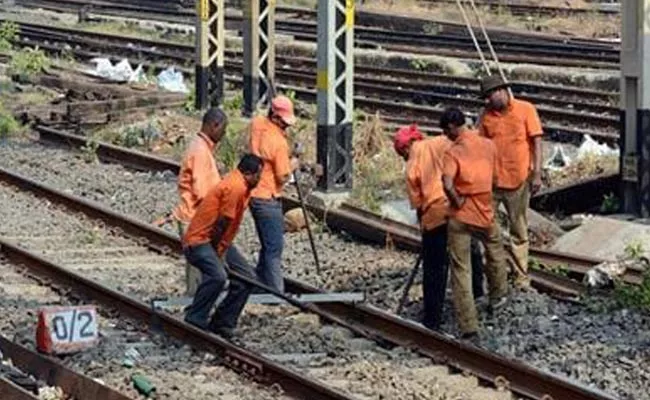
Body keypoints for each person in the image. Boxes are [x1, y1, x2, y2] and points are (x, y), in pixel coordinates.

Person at [393, 124, 484, 331]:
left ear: (406, 149)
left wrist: (424, 228)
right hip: (460, 207)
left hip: (435, 215)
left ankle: (432, 318)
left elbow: (418, 205)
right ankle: (478, 296)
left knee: (435, 268)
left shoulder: (411, 166)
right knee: (470, 253)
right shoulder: (442, 141)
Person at [441, 107, 508, 341]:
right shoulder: (488, 145)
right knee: (495, 250)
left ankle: (468, 325)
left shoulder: (453, 151)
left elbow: (447, 183)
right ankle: (499, 298)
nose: (446, 136)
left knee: (461, 269)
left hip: (461, 216)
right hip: (485, 210)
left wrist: (458, 201)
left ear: (451, 127)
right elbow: (497, 178)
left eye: (445, 131)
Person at [182, 154, 263, 338]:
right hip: (200, 241)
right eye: (259, 175)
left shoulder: (241, 185)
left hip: (218, 241)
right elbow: (222, 223)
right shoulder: (235, 187)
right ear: (249, 174)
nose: (260, 179)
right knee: (218, 276)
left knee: (247, 278)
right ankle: (195, 317)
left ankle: (223, 322)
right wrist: (218, 252)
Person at [478, 75, 543, 290]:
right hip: (492, 183)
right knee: (488, 231)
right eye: (487, 97)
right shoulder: (486, 116)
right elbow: (480, 146)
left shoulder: (525, 110)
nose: (490, 100)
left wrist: (537, 173)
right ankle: (495, 278)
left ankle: (521, 278)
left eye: (492, 94)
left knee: (519, 232)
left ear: (503, 91)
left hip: (518, 181)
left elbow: (537, 141)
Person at [153, 108, 228, 296]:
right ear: (214, 125)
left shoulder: (200, 147)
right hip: (196, 219)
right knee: (201, 272)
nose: (224, 135)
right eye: (223, 130)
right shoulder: (201, 152)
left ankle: (197, 305)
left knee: (201, 270)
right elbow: (204, 193)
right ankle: (195, 310)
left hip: (195, 217)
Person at [248, 95, 299, 293]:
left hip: (253, 194)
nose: (286, 126)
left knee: (267, 244)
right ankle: (276, 292)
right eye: (284, 123)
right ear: (276, 118)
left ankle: (258, 286)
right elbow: (283, 176)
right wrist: (294, 163)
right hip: (268, 197)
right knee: (274, 247)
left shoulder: (257, 125)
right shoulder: (278, 142)